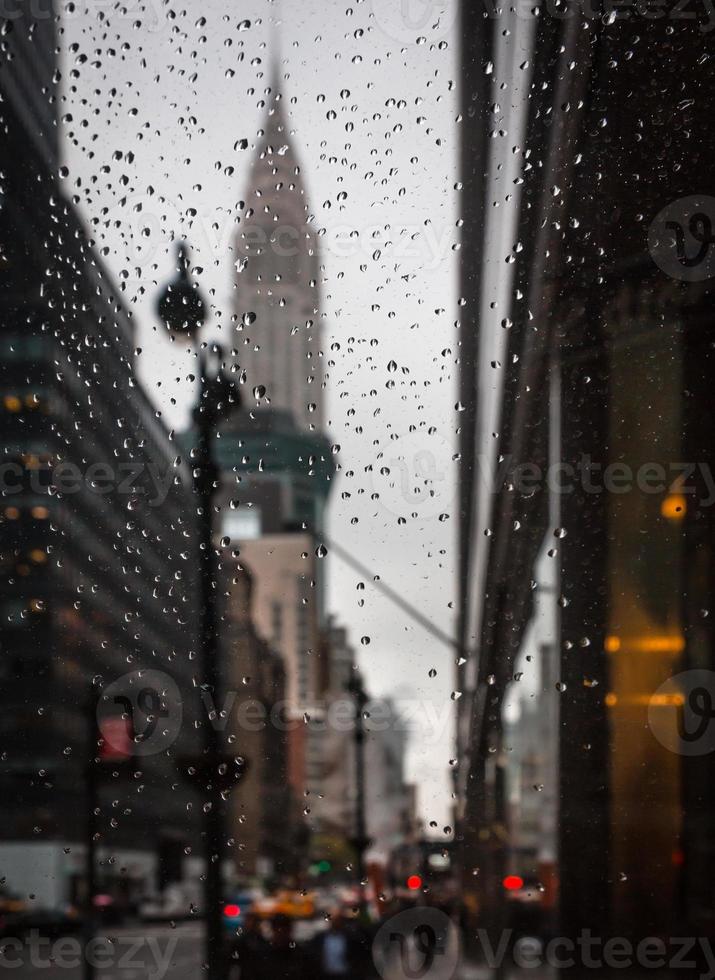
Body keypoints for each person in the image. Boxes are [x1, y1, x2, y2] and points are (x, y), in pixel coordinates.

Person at [310, 908, 365, 980]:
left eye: (338, 920)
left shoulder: (350, 938)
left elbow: (357, 957)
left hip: (346, 975)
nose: (335, 922)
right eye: (332, 919)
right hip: (325, 975)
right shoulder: (320, 938)